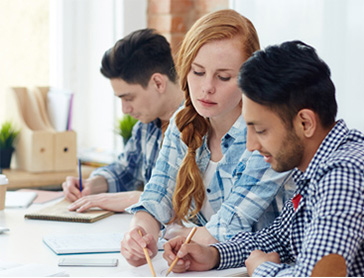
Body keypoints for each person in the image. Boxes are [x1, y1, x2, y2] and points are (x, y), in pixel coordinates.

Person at [163, 40, 364, 277]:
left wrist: (261, 269)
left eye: (260, 130)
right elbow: (279, 238)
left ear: (305, 123)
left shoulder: (343, 173)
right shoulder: (313, 167)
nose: (251, 145)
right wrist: (213, 255)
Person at [121, 9, 295, 267]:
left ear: (250, 78)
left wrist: (177, 238)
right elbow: (156, 195)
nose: (206, 88)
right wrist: (140, 233)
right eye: (198, 72)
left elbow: (228, 226)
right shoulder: (183, 121)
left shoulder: (266, 133)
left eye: (224, 77)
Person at [62, 28, 184, 212]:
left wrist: (130, 198)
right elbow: (126, 169)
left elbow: (188, 202)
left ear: (158, 83)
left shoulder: (200, 125)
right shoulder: (147, 126)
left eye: (128, 98)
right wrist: (92, 184)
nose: (125, 110)